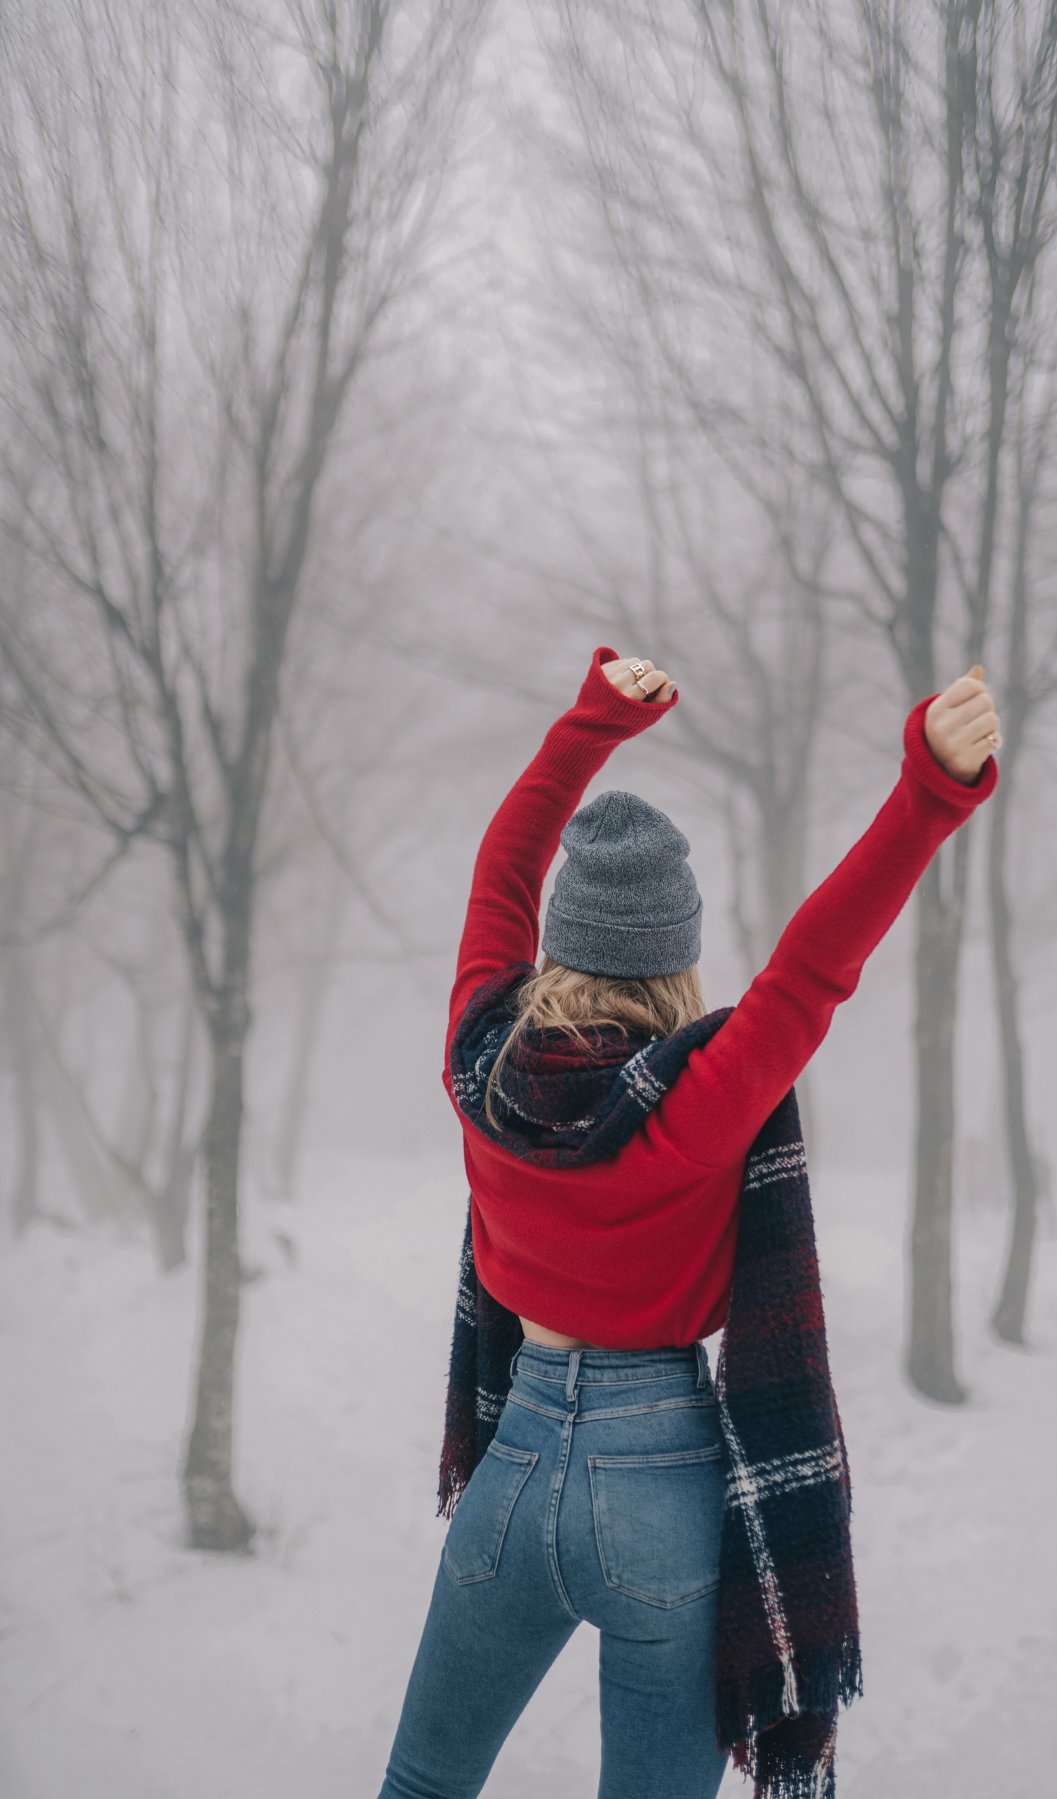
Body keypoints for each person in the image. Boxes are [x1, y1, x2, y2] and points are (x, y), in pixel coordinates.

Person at [375, 646, 1001, 1799]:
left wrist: (590, 723)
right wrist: (925, 791)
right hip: (662, 1484)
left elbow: (500, 869)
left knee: (421, 1781)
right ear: (677, 959)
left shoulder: (480, 1063)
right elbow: (817, 965)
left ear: (556, 941)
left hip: (511, 1468)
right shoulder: (700, 1102)